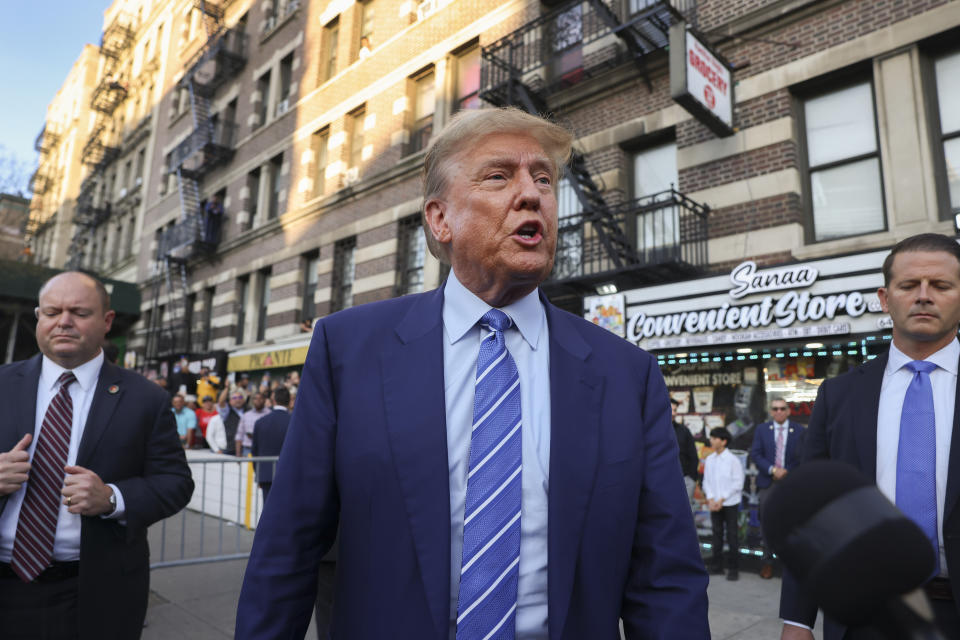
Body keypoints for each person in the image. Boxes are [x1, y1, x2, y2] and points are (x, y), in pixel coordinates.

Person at [235, 107, 708, 639]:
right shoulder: (348, 350)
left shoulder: (627, 374)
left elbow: (665, 578)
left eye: (544, 179)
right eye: (499, 176)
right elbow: (287, 549)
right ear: (440, 219)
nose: (531, 194)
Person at [780, 233, 960, 640]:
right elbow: (814, 510)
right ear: (885, 297)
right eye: (909, 285)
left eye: (942, 285)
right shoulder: (839, 394)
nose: (924, 296)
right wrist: (797, 617)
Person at [0, 271, 193, 639]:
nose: (64, 322)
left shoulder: (146, 399)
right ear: (39, 317)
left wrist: (112, 499)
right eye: (53, 311)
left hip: (95, 594)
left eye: (79, 312)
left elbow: (176, 483)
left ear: (106, 321)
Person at [749, 395, 804, 579]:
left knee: (793, 522)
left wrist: (786, 471)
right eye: (775, 409)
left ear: (788, 411)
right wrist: (772, 469)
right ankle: (767, 563)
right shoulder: (762, 429)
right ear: (771, 412)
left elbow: (802, 456)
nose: (779, 411)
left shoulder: (798, 430)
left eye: (782, 408)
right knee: (767, 524)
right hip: (768, 482)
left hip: (790, 482)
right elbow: (755, 454)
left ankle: (792, 564)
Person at [703, 426, 745, 582]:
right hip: (714, 503)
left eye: (714, 438)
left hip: (730, 503)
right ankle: (717, 566)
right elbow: (706, 481)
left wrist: (722, 499)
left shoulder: (732, 460)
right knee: (716, 534)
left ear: (723, 441)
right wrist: (711, 499)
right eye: (711, 438)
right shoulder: (710, 459)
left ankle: (733, 568)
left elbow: (738, 483)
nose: (711, 441)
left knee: (732, 535)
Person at [672, 397, 699, 506]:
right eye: (670, 410)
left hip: (685, 480)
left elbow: (693, 455)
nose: (673, 413)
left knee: (686, 517)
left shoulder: (684, 431)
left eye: (675, 410)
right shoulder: (653, 431)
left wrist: (691, 478)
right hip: (662, 481)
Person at [235, 392, 269, 457]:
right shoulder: (246, 415)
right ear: (252, 401)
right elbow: (239, 435)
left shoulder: (269, 414)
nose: (258, 400)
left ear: (264, 400)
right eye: (255, 398)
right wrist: (238, 453)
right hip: (247, 450)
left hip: (264, 450)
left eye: (260, 398)